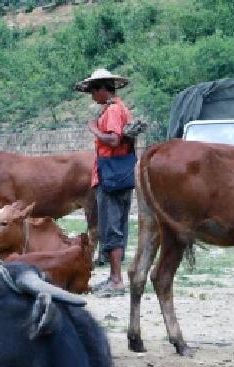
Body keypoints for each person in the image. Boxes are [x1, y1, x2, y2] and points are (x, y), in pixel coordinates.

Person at [75, 68, 134, 297]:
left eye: (93, 91)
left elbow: (113, 139)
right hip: (121, 173)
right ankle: (113, 277)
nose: (92, 96)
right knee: (117, 225)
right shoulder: (122, 108)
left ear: (102, 89)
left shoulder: (111, 111)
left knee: (111, 227)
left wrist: (94, 129)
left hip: (110, 174)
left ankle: (116, 279)